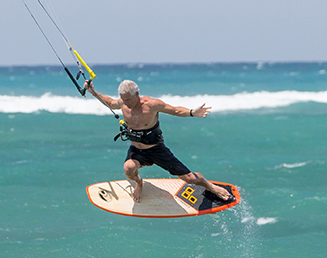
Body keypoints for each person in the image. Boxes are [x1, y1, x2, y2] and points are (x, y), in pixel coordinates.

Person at [84, 79, 231, 203]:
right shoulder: (123, 102)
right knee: (128, 168)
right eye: (123, 99)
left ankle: (209, 186)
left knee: (190, 179)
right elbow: (110, 102)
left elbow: (175, 110)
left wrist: (192, 112)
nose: (125, 103)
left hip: (156, 149)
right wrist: (93, 91)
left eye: (128, 99)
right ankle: (139, 183)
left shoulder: (151, 105)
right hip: (137, 150)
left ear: (137, 94)